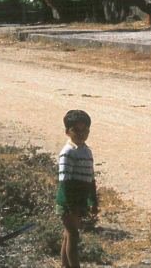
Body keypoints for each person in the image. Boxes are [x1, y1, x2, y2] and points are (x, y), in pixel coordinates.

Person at [57, 109, 99, 268]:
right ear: (67, 131)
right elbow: (65, 181)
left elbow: (90, 178)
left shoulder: (86, 151)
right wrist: (70, 205)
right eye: (76, 130)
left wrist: (92, 200)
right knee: (73, 235)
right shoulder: (68, 152)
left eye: (85, 130)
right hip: (68, 202)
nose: (81, 134)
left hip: (79, 200)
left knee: (68, 235)